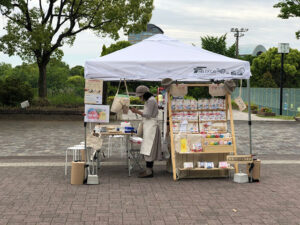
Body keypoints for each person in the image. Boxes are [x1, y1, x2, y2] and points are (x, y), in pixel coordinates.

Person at [130, 85, 162, 178]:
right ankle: (149, 170)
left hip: (151, 127)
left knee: (149, 149)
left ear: (144, 94)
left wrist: (136, 111)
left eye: (140, 96)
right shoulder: (150, 100)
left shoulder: (151, 101)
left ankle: (149, 171)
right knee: (148, 149)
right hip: (149, 127)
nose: (140, 98)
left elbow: (147, 115)